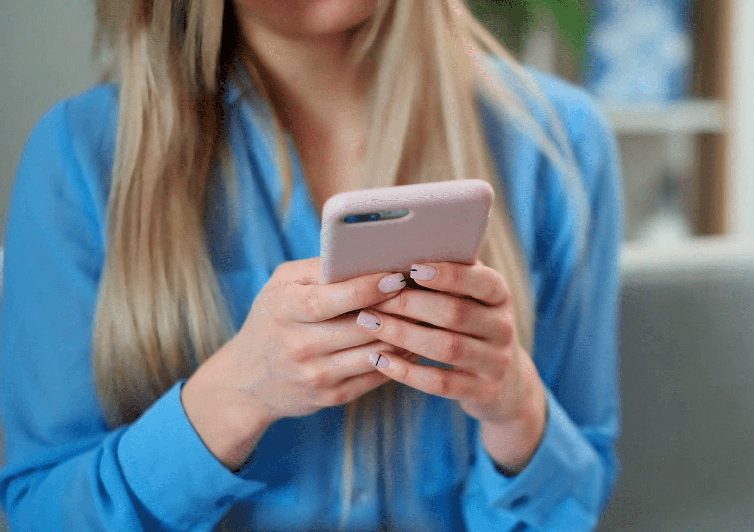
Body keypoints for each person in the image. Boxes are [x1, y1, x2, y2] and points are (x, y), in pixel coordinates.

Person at [0, 0, 624, 530]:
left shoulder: (558, 145)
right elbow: (38, 513)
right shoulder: (81, 158)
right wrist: (233, 398)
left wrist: (515, 406)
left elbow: (574, 504)